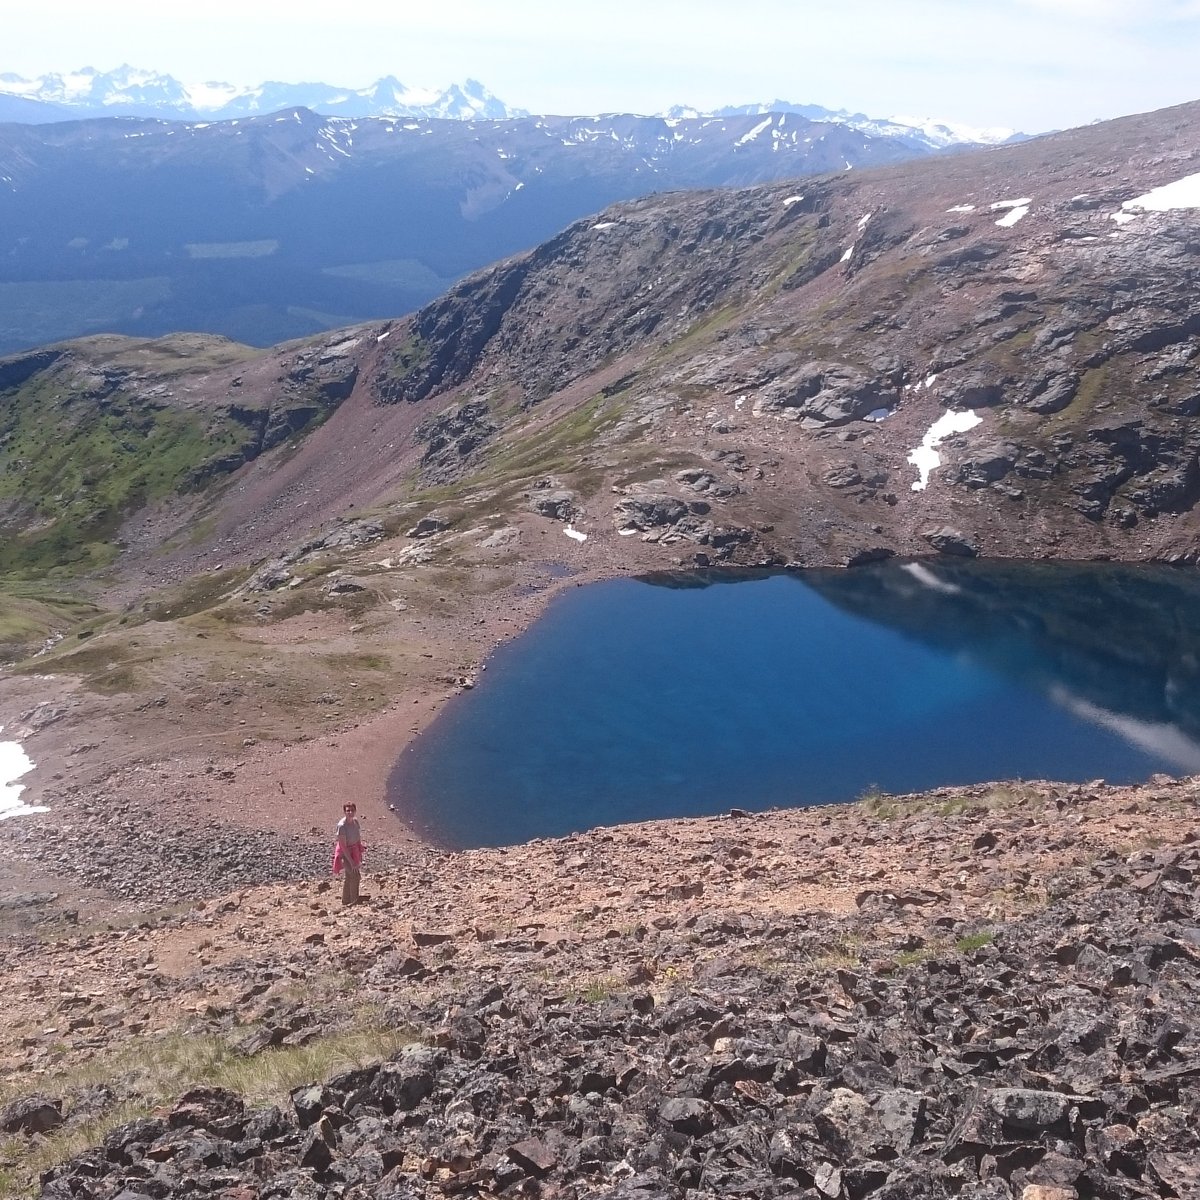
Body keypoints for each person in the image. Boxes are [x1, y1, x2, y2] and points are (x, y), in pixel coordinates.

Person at [332, 802, 363, 905]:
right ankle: (354, 900)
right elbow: (343, 847)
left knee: (349, 876)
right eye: (348, 811)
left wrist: (359, 854)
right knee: (355, 875)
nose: (350, 813)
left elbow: (358, 837)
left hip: (354, 851)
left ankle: (346, 899)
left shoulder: (355, 822)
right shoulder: (342, 826)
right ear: (344, 812)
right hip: (345, 854)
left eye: (352, 810)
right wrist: (351, 861)